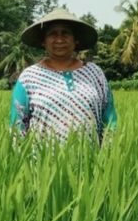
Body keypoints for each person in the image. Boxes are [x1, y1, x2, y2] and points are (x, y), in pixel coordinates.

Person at [9, 8, 117, 144]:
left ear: (75, 40)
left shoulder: (95, 74)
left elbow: (110, 120)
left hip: (92, 161)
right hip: (43, 163)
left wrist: (109, 156)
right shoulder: (29, 78)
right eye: (52, 34)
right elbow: (17, 126)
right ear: (44, 41)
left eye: (65, 33)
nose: (59, 39)